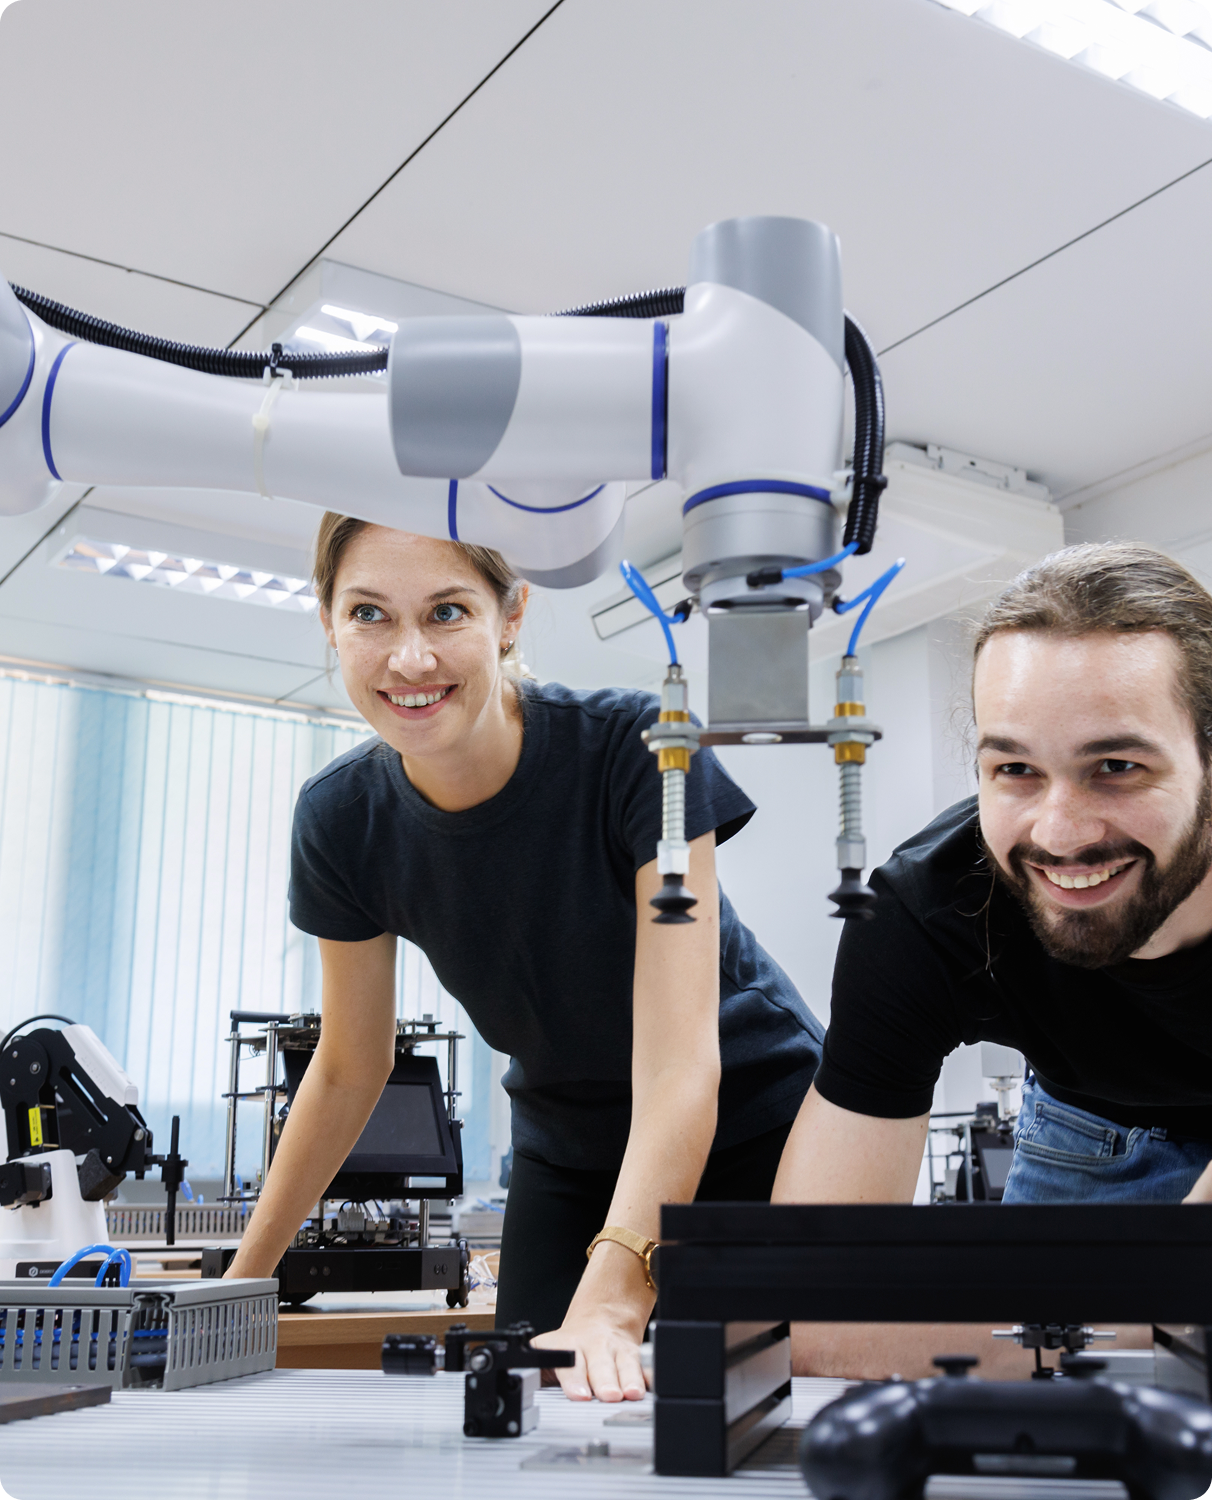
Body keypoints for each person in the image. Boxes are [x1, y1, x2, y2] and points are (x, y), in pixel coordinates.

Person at [226, 515, 824, 1401]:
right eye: (369, 616)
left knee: (754, 1402)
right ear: (326, 620)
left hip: (752, 1119)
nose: (410, 659)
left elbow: (677, 1063)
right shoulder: (341, 819)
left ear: (510, 616)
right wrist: (241, 1286)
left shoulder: (639, 746)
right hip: (567, 1144)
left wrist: (621, 1291)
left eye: (446, 613)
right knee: (531, 1401)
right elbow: (351, 1065)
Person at [772, 541, 1212, 1377]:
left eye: (1116, 766)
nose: (1060, 833)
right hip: (1089, 1126)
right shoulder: (924, 910)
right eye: (1014, 769)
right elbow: (812, 1302)